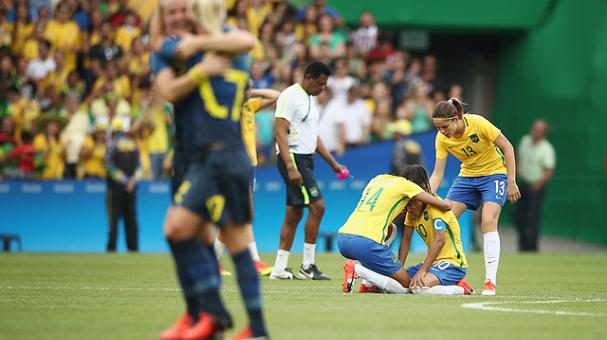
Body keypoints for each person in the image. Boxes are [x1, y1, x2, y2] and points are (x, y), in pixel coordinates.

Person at [151, 0, 267, 339]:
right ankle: (238, 324)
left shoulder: (192, 53)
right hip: (217, 157)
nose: (180, 18)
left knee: (183, 230)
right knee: (230, 241)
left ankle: (216, 316)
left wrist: (193, 48)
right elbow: (245, 40)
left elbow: (163, 52)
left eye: (185, 12)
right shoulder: (234, 53)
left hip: (218, 158)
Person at [429, 98, 521, 296]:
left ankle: (490, 282)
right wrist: (426, 196)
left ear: (456, 118)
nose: (442, 132)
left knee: (487, 222)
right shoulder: (441, 138)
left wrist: (511, 181)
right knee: (444, 224)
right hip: (467, 177)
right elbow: (438, 173)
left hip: (494, 174)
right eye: (438, 128)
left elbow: (508, 147)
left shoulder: (478, 123)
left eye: (444, 126)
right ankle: (455, 278)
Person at [269, 61, 345, 281]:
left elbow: (313, 136)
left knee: (294, 212)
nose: (322, 88)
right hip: (292, 158)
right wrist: (291, 167)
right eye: (320, 83)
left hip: (305, 158)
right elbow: (279, 133)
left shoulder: (311, 100)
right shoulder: (289, 96)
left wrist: (333, 163)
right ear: (309, 77)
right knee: (318, 206)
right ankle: (308, 265)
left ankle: (279, 268)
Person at [338, 165, 452, 294]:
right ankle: (357, 270)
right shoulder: (408, 186)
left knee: (392, 229)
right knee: (406, 286)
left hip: (343, 238)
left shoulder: (378, 179)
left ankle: (368, 283)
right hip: (366, 242)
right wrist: (450, 201)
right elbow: (445, 205)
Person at [214, 83, 280, 275]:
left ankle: (213, 261)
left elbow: (276, 95)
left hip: (249, 165)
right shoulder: (227, 109)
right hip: (235, 164)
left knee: (237, 215)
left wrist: (253, 91)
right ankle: (253, 260)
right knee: (244, 212)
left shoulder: (249, 105)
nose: (247, 92)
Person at [400, 166, 473, 295]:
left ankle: (462, 288)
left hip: (452, 263)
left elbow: (440, 240)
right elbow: (406, 240)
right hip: (433, 264)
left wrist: (423, 270)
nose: (409, 208)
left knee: (418, 289)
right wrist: (398, 269)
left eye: (412, 202)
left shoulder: (436, 206)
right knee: (399, 282)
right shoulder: (411, 212)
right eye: (407, 203)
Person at [515, 120, 555, 252]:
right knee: (520, 216)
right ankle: (522, 245)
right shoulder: (525, 141)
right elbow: (518, 156)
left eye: (539, 130)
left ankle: (532, 247)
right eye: (535, 129)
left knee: (533, 217)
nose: (536, 132)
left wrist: (537, 185)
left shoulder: (547, 149)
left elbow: (549, 170)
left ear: (544, 133)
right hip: (522, 184)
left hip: (536, 187)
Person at [105, 116, 141, 252]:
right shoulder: (133, 144)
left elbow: (110, 167)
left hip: (115, 188)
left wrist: (125, 181)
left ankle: (112, 248)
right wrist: (132, 182)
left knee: (113, 219)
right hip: (131, 188)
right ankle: (133, 248)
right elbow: (139, 168)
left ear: (112, 131)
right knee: (131, 219)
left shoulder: (111, 145)